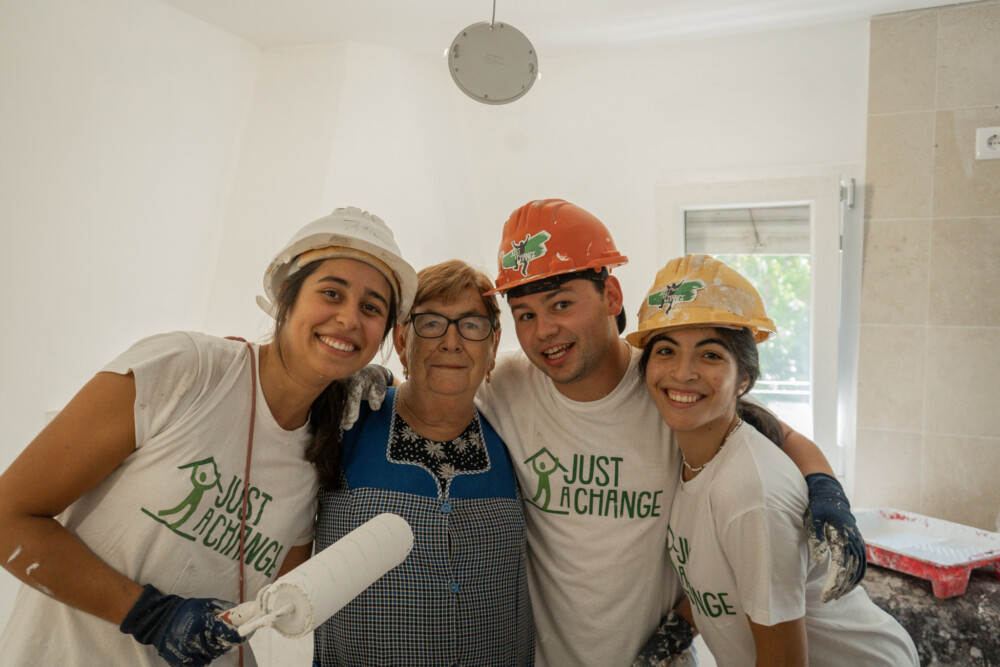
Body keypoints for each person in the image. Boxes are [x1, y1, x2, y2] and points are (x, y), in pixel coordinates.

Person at [0, 207, 417, 667]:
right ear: (285, 299)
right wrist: (151, 616)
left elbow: (278, 605)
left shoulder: (315, 453)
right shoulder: (186, 369)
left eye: (371, 307)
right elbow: (8, 518)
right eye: (331, 293)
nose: (348, 318)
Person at [471, 199, 866, 666]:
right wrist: (374, 379)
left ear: (611, 297)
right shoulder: (507, 386)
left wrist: (827, 491)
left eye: (561, 304)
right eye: (525, 314)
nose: (544, 331)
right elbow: (429, 397)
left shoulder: (670, 388)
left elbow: (779, 437)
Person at [628, 254, 918, 665]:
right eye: (666, 350)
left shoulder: (748, 491)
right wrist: (674, 633)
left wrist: (829, 490)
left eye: (710, 355)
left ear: (743, 379)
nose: (684, 372)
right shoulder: (689, 452)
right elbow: (727, 578)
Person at [312, 259, 534, 666]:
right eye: (431, 323)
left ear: (494, 345)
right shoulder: (343, 422)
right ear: (400, 340)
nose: (451, 342)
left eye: (472, 324)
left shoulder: (516, 435)